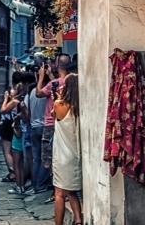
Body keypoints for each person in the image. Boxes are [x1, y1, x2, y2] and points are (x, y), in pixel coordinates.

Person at [52, 74, 82, 225]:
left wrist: (57, 97)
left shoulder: (59, 104)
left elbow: (55, 116)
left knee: (59, 193)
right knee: (71, 191)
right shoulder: (80, 107)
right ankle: (78, 220)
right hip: (75, 155)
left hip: (62, 157)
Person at [36, 62, 70, 190]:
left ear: (57, 67)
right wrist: (50, 76)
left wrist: (40, 77)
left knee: (48, 157)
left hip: (50, 123)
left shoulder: (53, 83)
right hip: (64, 122)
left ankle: (53, 187)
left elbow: (38, 93)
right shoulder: (69, 82)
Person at [27, 71, 50, 193]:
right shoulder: (46, 92)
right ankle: (40, 184)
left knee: (36, 159)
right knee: (46, 158)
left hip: (34, 127)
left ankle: (35, 184)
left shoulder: (31, 92)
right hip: (44, 126)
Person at [5, 84, 28, 195]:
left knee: (17, 164)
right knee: (21, 165)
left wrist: (14, 126)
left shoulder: (18, 107)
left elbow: (3, 110)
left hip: (17, 137)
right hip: (23, 135)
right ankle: (22, 186)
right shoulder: (23, 105)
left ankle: (19, 187)